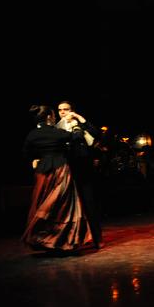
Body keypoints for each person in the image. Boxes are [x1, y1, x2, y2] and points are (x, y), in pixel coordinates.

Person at [22, 105, 93, 252]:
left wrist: (36, 158)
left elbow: (26, 152)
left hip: (42, 173)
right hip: (60, 170)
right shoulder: (57, 133)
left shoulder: (32, 134)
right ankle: (62, 241)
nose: (55, 117)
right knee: (64, 206)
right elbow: (77, 137)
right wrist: (75, 127)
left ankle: (44, 238)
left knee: (44, 203)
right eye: (53, 115)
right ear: (49, 117)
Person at [56, 100, 103, 249]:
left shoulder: (81, 123)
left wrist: (79, 118)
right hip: (67, 170)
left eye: (66, 109)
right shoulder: (58, 127)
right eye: (60, 110)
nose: (63, 112)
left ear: (72, 110)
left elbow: (96, 134)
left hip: (83, 169)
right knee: (69, 207)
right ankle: (73, 240)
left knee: (89, 204)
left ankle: (97, 238)